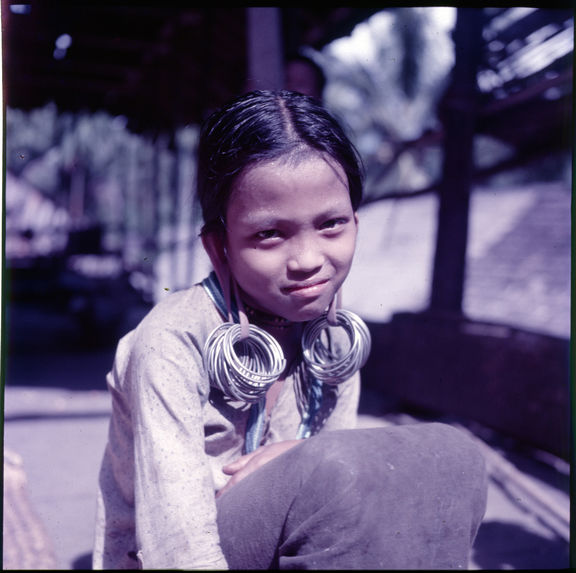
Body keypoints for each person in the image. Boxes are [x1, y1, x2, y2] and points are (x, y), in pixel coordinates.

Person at [93, 90, 487, 570]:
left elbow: (342, 474)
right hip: (173, 555)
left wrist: (300, 457)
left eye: (331, 225)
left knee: (454, 459)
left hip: (286, 547)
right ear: (219, 248)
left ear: (356, 224)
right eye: (269, 234)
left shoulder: (334, 340)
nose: (307, 261)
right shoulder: (172, 341)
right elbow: (177, 544)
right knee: (334, 477)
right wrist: (310, 468)